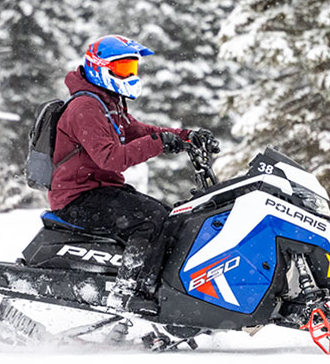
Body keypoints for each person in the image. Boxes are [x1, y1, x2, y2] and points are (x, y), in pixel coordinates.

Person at [48, 34, 216, 314]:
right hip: (78, 197)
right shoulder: (85, 107)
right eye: (123, 69)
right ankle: (130, 291)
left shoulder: (107, 102)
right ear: (98, 67)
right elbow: (111, 158)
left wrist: (186, 136)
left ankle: (169, 292)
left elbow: (138, 131)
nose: (130, 74)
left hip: (100, 189)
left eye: (132, 68)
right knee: (149, 220)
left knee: (173, 218)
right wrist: (161, 143)